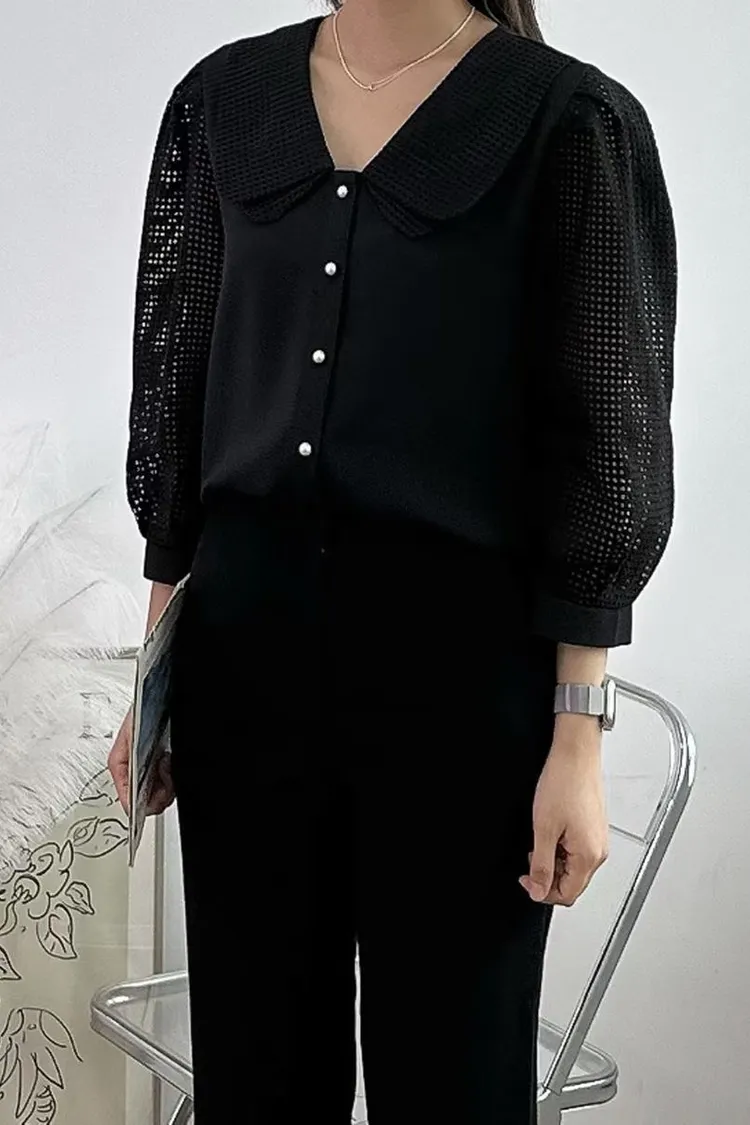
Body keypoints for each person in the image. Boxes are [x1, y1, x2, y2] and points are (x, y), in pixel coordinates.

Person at [108, 1, 677, 1122]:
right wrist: (153, 681)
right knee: (254, 1075)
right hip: (243, 669)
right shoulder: (223, 103)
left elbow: (605, 442)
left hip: (462, 692)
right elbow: (176, 386)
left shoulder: (568, 121)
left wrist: (578, 738)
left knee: (453, 1081)